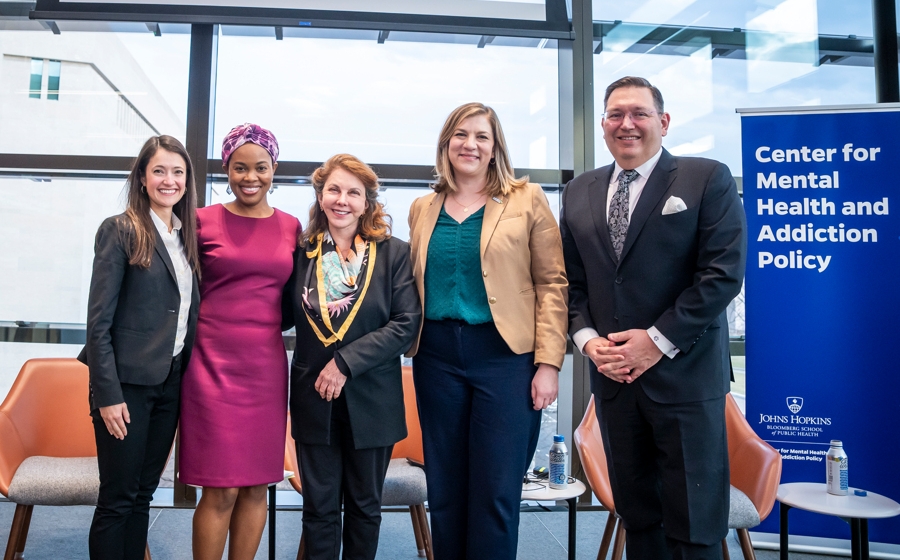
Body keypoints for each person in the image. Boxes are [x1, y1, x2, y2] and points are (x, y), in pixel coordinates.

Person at [560, 76, 747, 558]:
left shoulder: (706, 178)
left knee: (695, 524)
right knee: (639, 518)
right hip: (615, 382)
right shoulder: (579, 191)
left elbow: (721, 276)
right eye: (615, 114)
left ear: (662, 122)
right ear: (603, 125)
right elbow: (571, 283)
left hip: (685, 380)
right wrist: (586, 341)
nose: (627, 124)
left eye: (639, 113)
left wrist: (656, 341)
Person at [407, 102, 568, 559]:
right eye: (460, 134)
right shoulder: (423, 206)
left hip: (505, 357)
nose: (469, 144)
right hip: (436, 356)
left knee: (496, 490)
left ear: (495, 146)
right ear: (446, 144)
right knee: (445, 486)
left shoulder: (526, 198)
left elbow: (552, 283)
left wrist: (548, 363)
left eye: (481, 136)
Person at [285, 153, 420, 560]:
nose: (342, 200)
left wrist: (344, 363)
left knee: (364, 509)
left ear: (367, 202)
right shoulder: (300, 252)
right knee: (319, 510)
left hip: (372, 398)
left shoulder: (394, 254)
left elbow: (405, 324)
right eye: (334, 190)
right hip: (314, 398)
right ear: (320, 196)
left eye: (353, 192)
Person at [179, 124, 300, 560]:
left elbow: (297, 299)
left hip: (265, 368)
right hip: (210, 366)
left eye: (261, 167)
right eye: (240, 167)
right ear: (227, 169)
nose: (251, 177)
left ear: (274, 169)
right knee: (220, 488)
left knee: (255, 486)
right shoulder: (199, 220)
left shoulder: (291, 227)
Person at [80, 135, 200, 559]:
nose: (170, 180)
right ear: (143, 177)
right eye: (160, 171)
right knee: (117, 499)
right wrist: (107, 396)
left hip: (169, 384)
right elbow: (98, 325)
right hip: (126, 388)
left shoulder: (187, 237)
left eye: (178, 172)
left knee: (143, 494)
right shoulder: (121, 230)